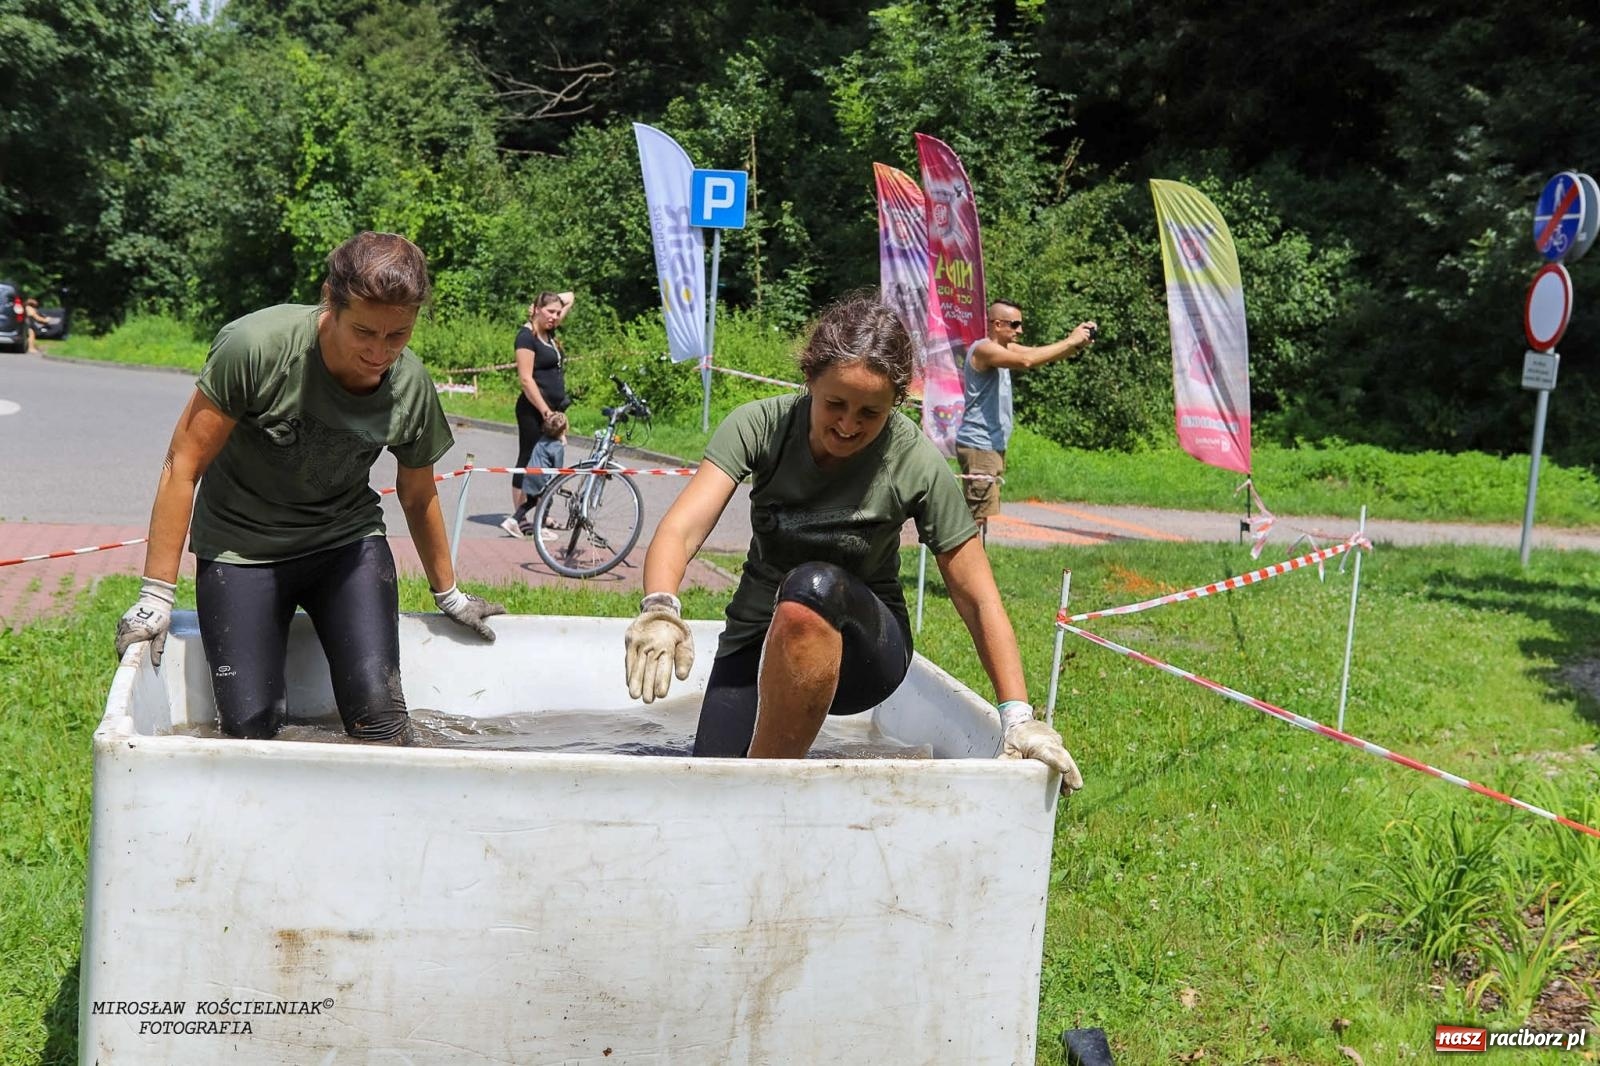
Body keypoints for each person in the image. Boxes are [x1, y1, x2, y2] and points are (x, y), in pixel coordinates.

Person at [622, 293, 1081, 785]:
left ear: (897, 402)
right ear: (809, 382)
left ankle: (768, 791)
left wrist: (1017, 716)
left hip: (867, 653)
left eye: (870, 413)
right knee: (707, 783)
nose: (847, 425)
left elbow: (976, 594)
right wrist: (660, 607)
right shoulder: (760, 425)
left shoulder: (915, 461)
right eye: (835, 404)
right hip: (755, 641)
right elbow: (683, 526)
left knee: (810, 587)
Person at [113, 231, 504, 744]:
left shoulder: (409, 387)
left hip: (345, 545)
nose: (379, 352)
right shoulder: (256, 347)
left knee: (382, 726)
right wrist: (155, 595)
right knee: (250, 732)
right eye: (364, 331)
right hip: (240, 549)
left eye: (398, 335)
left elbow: (417, 494)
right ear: (330, 300)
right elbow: (182, 464)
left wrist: (448, 594)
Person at [956, 300, 1097, 538]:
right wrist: (1070, 341)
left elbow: (1036, 354)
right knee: (974, 518)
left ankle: (973, 571)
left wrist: (1077, 344)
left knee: (980, 516)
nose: (1020, 330)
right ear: (997, 324)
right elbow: (1027, 361)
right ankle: (964, 573)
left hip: (989, 445)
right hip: (980, 445)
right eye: (1015, 324)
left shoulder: (1004, 349)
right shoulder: (984, 349)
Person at [501, 290, 575, 538]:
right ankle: (519, 518)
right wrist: (545, 412)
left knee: (549, 464)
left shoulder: (548, 332)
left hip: (554, 411)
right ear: (536, 310)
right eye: (550, 312)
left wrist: (552, 301)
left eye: (557, 312)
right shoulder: (526, 337)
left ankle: (539, 514)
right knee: (529, 460)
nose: (555, 316)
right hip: (535, 411)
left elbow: (571, 296)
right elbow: (525, 378)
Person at [503, 410, 567, 541]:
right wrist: (559, 484)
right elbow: (558, 469)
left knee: (531, 501)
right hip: (542, 478)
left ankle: (513, 520)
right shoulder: (557, 447)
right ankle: (541, 528)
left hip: (530, 474)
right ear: (563, 432)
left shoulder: (541, 439)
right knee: (547, 501)